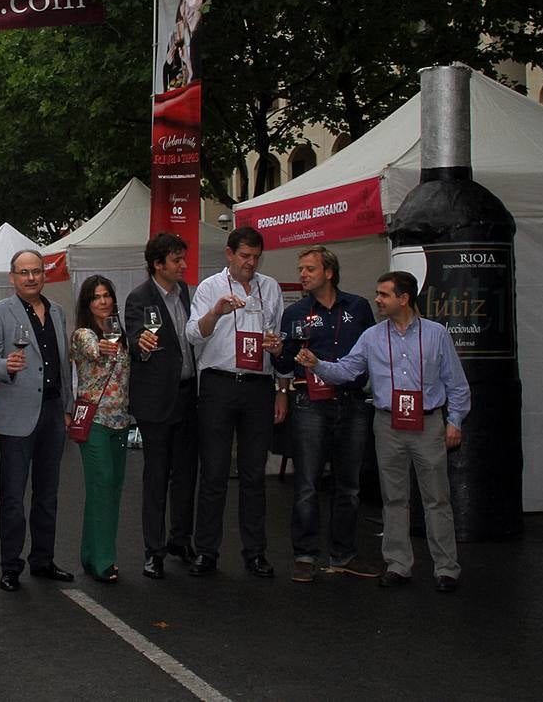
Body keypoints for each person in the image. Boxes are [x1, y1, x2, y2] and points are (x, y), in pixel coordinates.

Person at [297, 271, 470, 592]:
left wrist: (454, 421)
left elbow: (457, 385)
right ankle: (398, 565)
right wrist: (317, 364)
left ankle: (446, 568)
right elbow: (348, 369)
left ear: (404, 299)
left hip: (428, 422)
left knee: (436, 499)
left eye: (384, 294)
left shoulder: (436, 335)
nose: (377, 299)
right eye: (377, 293)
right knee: (393, 498)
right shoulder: (372, 336)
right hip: (387, 422)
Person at [184, 226, 285, 579]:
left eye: (256, 257)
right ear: (229, 254)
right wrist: (217, 311)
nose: (250, 263)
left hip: (258, 384)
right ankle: (206, 551)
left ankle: (255, 552)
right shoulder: (210, 287)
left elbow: (278, 337)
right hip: (219, 383)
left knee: (254, 474)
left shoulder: (270, 287)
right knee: (213, 471)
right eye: (244, 256)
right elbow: (193, 334)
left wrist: (276, 348)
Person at [273, 247, 378, 583]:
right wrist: (278, 353)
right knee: (306, 483)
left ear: (329, 272)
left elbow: (374, 350)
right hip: (310, 402)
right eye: (300, 269)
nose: (302, 274)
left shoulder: (358, 307)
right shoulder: (296, 314)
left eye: (309, 269)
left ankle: (344, 553)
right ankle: (304, 554)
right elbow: (285, 363)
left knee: (349, 484)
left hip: (351, 401)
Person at [0, 249, 75, 591]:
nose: (31, 277)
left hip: (51, 412)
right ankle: (10, 566)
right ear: (12, 277)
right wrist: (4, 366)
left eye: (36, 271)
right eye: (24, 272)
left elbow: (63, 364)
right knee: (13, 497)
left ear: (43, 275)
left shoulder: (58, 312)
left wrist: (67, 407)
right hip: (16, 414)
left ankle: (43, 560)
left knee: (48, 494)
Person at [123, 232, 198, 579]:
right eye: (177, 260)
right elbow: (136, 340)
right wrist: (143, 342)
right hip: (156, 402)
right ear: (157, 264)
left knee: (186, 474)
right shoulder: (139, 298)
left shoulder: (188, 293)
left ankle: (180, 540)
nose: (183, 265)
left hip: (188, 395)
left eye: (183, 259)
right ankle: (153, 550)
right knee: (156, 477)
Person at [71, 275, 131, 584]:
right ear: (87, 303)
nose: (103, 301)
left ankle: (91, 554)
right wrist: (106, 344)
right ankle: (105, 561)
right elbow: (94, 349)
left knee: (111, 488)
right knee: (102, 484)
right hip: (94, 421)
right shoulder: (83, 334)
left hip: (121, 421)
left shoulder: (123, 336)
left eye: (107, 295)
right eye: (96, 297)